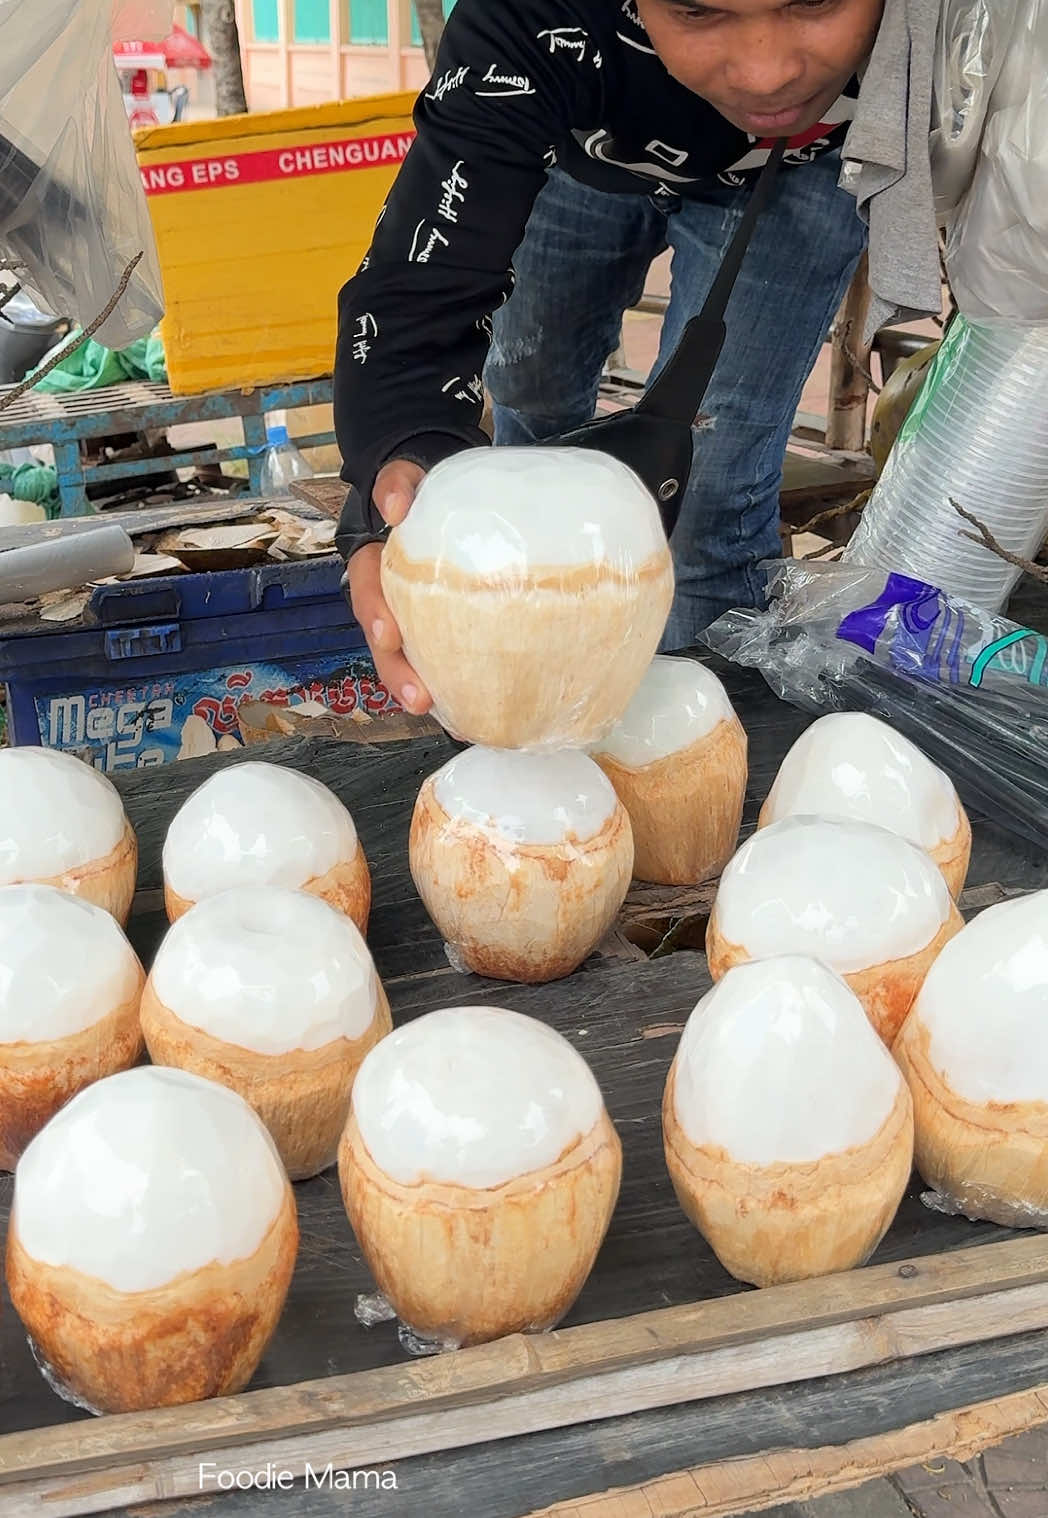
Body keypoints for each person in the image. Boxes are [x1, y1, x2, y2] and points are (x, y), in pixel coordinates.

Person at [334, 0, 887, 716]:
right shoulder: (528, 17)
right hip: (579, 152)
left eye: (814, 0)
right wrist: (399, 452)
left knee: (711, 482)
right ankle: (536, 670)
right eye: (696, 10)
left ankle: (702, 742)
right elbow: (421, 291)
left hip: (805, 168)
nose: (766, 71)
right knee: (530, 390)